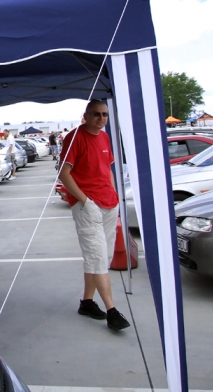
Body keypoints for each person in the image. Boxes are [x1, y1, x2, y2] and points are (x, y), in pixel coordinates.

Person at [57, 100, 130, 331]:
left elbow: (107, 169)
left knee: (101, 257)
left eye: (104, 114)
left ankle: (87, 302)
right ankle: (112, 311)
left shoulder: (104, 137)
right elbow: (63, 173)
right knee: (97, 257)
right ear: (86, 115)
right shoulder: (75, 137)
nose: (101, 118)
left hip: (109, 203)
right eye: (96, 114)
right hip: (87, 205)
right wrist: (84, 200)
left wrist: (114, 194)